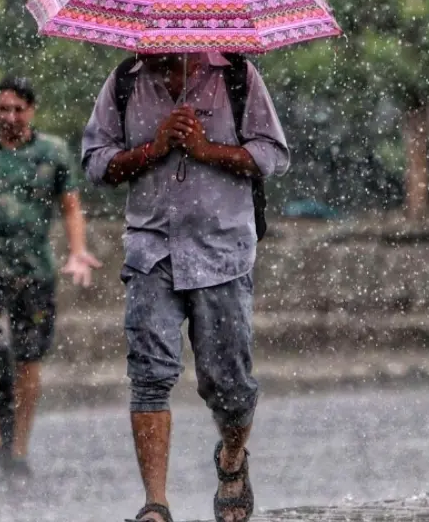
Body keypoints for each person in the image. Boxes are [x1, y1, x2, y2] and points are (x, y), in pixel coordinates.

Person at [80, 52, 289, 522]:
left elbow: (272, 155)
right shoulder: (123, 81)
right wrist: (150, 151)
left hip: (222, 252)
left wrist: (206, 149)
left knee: (229, 386)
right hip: (151, 250)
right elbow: (95, 162)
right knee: (149, 376)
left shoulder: (236, 74)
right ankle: (156, 503)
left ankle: (232, 459)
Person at [0, 75, 102, 479]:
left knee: (29, 358)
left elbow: (70, 206)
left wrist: (77, 251)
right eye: (3, 109)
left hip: (33, 271)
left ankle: (18, 446)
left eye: (18, 109)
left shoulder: (51, 153)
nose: (11, 117)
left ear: (31, 111)